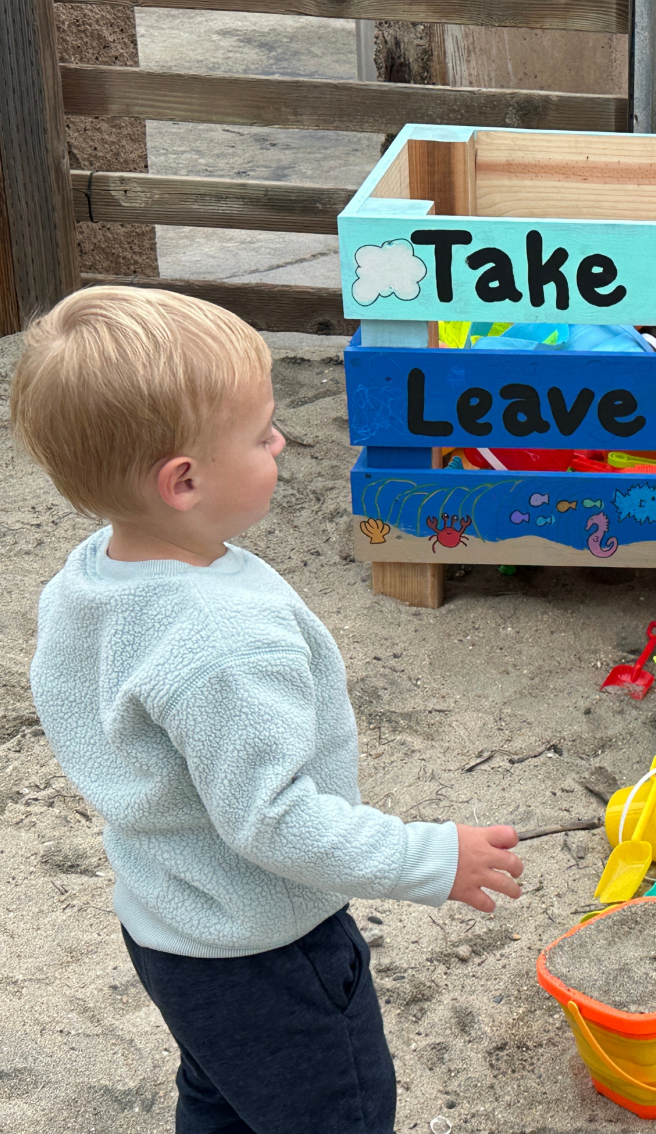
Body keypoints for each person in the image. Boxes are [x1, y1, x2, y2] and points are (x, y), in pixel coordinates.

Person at [12, 287, 525, 1134]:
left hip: (168, 925)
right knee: (339, 1111)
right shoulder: (220, 641)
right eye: (260, 435)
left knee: (220, 1093)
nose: (282, 441)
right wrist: (431, 857)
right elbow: (275, 821)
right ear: (184, 482)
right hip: (266, 951)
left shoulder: (92, 575)